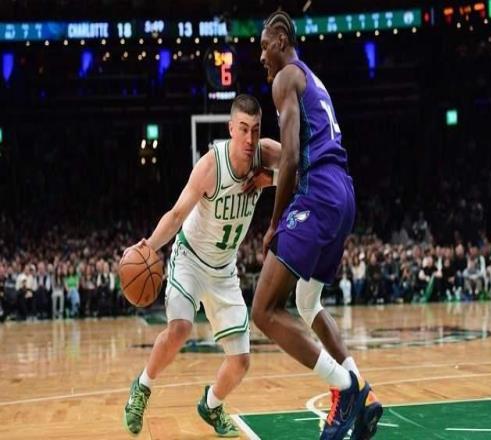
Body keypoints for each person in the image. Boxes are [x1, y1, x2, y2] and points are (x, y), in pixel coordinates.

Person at [254, 10, 382, 440]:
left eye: (264, 45)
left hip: (319, 194)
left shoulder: (285, 77)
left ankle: (344, 388)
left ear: (282, 39)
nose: (261, 56)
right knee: (307, 302)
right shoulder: (313, 80)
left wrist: (274, 224)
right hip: (343, 193)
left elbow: (291, 157)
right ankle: (362, 391)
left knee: (263, 310)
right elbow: (298, 151)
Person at [123, 94, 281, 437]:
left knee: (241, 361)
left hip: (224, 270)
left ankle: (210, 405)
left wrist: (271, 178)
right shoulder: (211, 166)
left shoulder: (267, 153)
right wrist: (149, 246)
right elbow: (177, 214)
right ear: (231, 128)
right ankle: (142, 387)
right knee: (180, 328)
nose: (250, 138)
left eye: (255, 129)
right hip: (190, 259)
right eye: (243, 129)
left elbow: (305, 169)